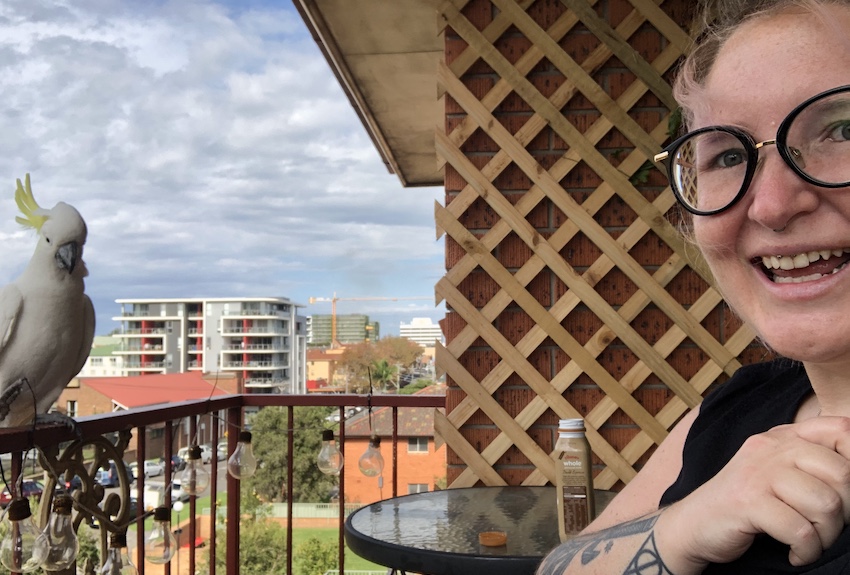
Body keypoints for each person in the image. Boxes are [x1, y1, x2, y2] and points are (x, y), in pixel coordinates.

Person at [536, 0, 850, 573]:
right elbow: (559, 564)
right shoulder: (742, 408)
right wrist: (684, 525)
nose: (773, 204)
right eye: (729, 155)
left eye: (842, 129)